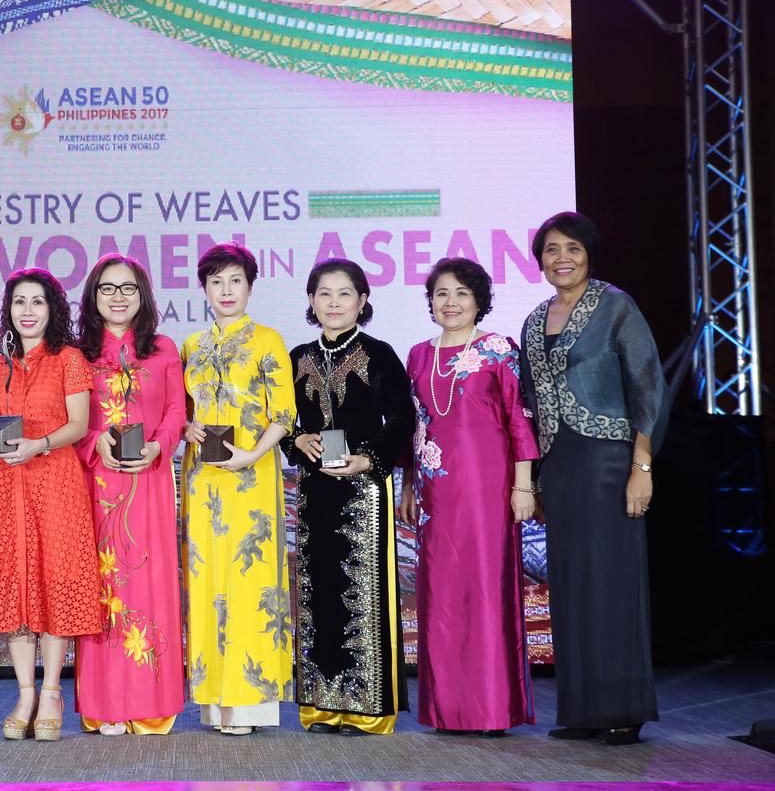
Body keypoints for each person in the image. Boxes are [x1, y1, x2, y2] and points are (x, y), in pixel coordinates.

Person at [519, 212, 667, 746]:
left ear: (589, 255)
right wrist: (535, 480)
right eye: (551, 249)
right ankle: (582, 710)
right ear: (540, 260)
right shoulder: (534, 320)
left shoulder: (615, 306)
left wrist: (641, 468)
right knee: (572, 585)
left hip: (608, 460)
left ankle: (623, 708)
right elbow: (531, 405)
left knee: (612, 582)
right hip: (559, 466)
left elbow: (648, 387)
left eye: (573, 248)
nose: (562, 258)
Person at [401, 257, 538, 735]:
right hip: (435, 493)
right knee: (440, 597)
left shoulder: (499, 349)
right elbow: (416, 426)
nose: (451, 302)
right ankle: (446, 710)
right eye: (441, 293)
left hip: (488, 489)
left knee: (485, 591)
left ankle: (491, 710)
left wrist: (524, 485)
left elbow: (519, 419)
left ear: (479, 300)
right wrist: (408, 484)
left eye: (462, 292)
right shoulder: (418, 355)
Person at [280, 257, 413, 735]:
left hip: (363, 491)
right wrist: (295, 440)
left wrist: (368, 459)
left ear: (362, 301)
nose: (334, 303)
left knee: (362, 595)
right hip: (315, 490)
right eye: (324, 294)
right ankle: (322, 706)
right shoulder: (296, 357)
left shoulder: (379, 354)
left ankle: (366, 708)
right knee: (318, 594)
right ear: (311, 301)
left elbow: (403, 420)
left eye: (344, 294)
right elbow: (279, 420)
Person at [0, 267, 101, 742]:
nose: (27, 311)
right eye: (19, 302)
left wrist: (39, 444)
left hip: (57, 482)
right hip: (9, 487)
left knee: (54, 582)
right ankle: (24, 694)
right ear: (8, 310)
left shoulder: (69, 358)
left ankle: (50, 693)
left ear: (53, 309)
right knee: (16, 586)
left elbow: (79, 425)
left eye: (37, 302)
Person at [180, 242, 297, 736]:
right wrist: (185, 427)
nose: (226, 291)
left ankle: (249, 702)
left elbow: (284, 414)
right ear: (204, 289)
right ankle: (214, 702)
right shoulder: (191, 345)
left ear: (250, 287)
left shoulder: (268, 340)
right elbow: (184, 411)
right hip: (203, 480)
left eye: (235, 281)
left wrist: (252, 454)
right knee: (208, 583)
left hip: (252, 475)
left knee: (250, 582)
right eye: (216, 282)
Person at [72, 254, 186, 736]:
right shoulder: (77, 354)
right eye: (107, 288)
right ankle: (105, 705)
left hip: (150, 482)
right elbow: (68, 418)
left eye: (128, 288)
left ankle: (150, 704)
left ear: (143, 295)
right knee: (103, 589)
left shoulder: (162, 348)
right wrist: (94, 439)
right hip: (97, 483)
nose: (117, 297)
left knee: (149, 583)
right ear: (93, 297)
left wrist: (159, 446)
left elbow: (177, 410)